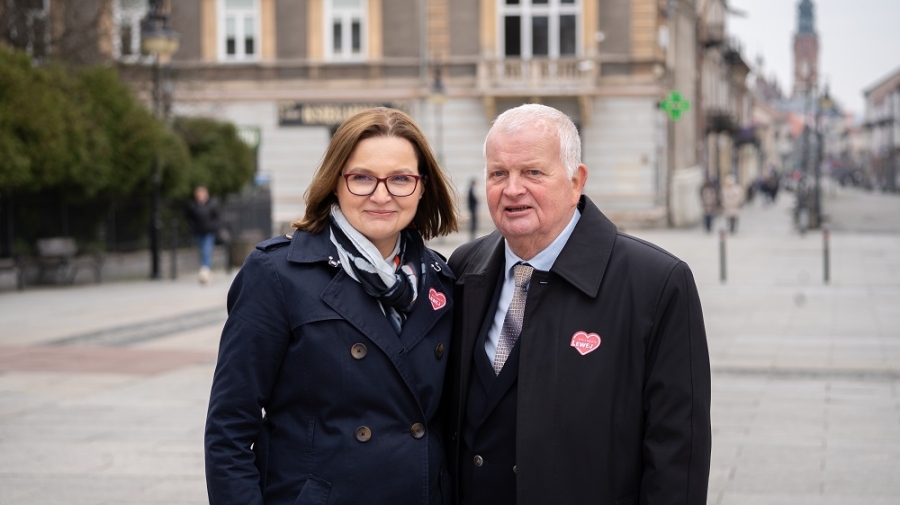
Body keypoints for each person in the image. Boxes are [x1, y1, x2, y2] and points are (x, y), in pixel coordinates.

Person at [444, 104, 711, 505]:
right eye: (498, 173)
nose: (512, 189)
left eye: (533, 172)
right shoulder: (464, 267)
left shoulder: (657, 283)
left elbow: (677, 453)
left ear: (576, 181)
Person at [205, 107, 459, 505]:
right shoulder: (277, 273)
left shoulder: (440, 280)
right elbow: (229, 428)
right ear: (335, 183)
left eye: (400, 179)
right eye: (362, 178)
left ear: (422, 187)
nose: (381, 195)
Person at [185, 185, 221, 284]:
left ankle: (205, 272)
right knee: (202, 252)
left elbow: (217, 217)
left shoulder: (212, 204)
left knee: (206, 251)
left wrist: (213, 226)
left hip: (209, 232)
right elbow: (189, 218)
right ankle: (206, 270)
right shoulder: (193, 205)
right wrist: (192, 227)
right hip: (198, 232)